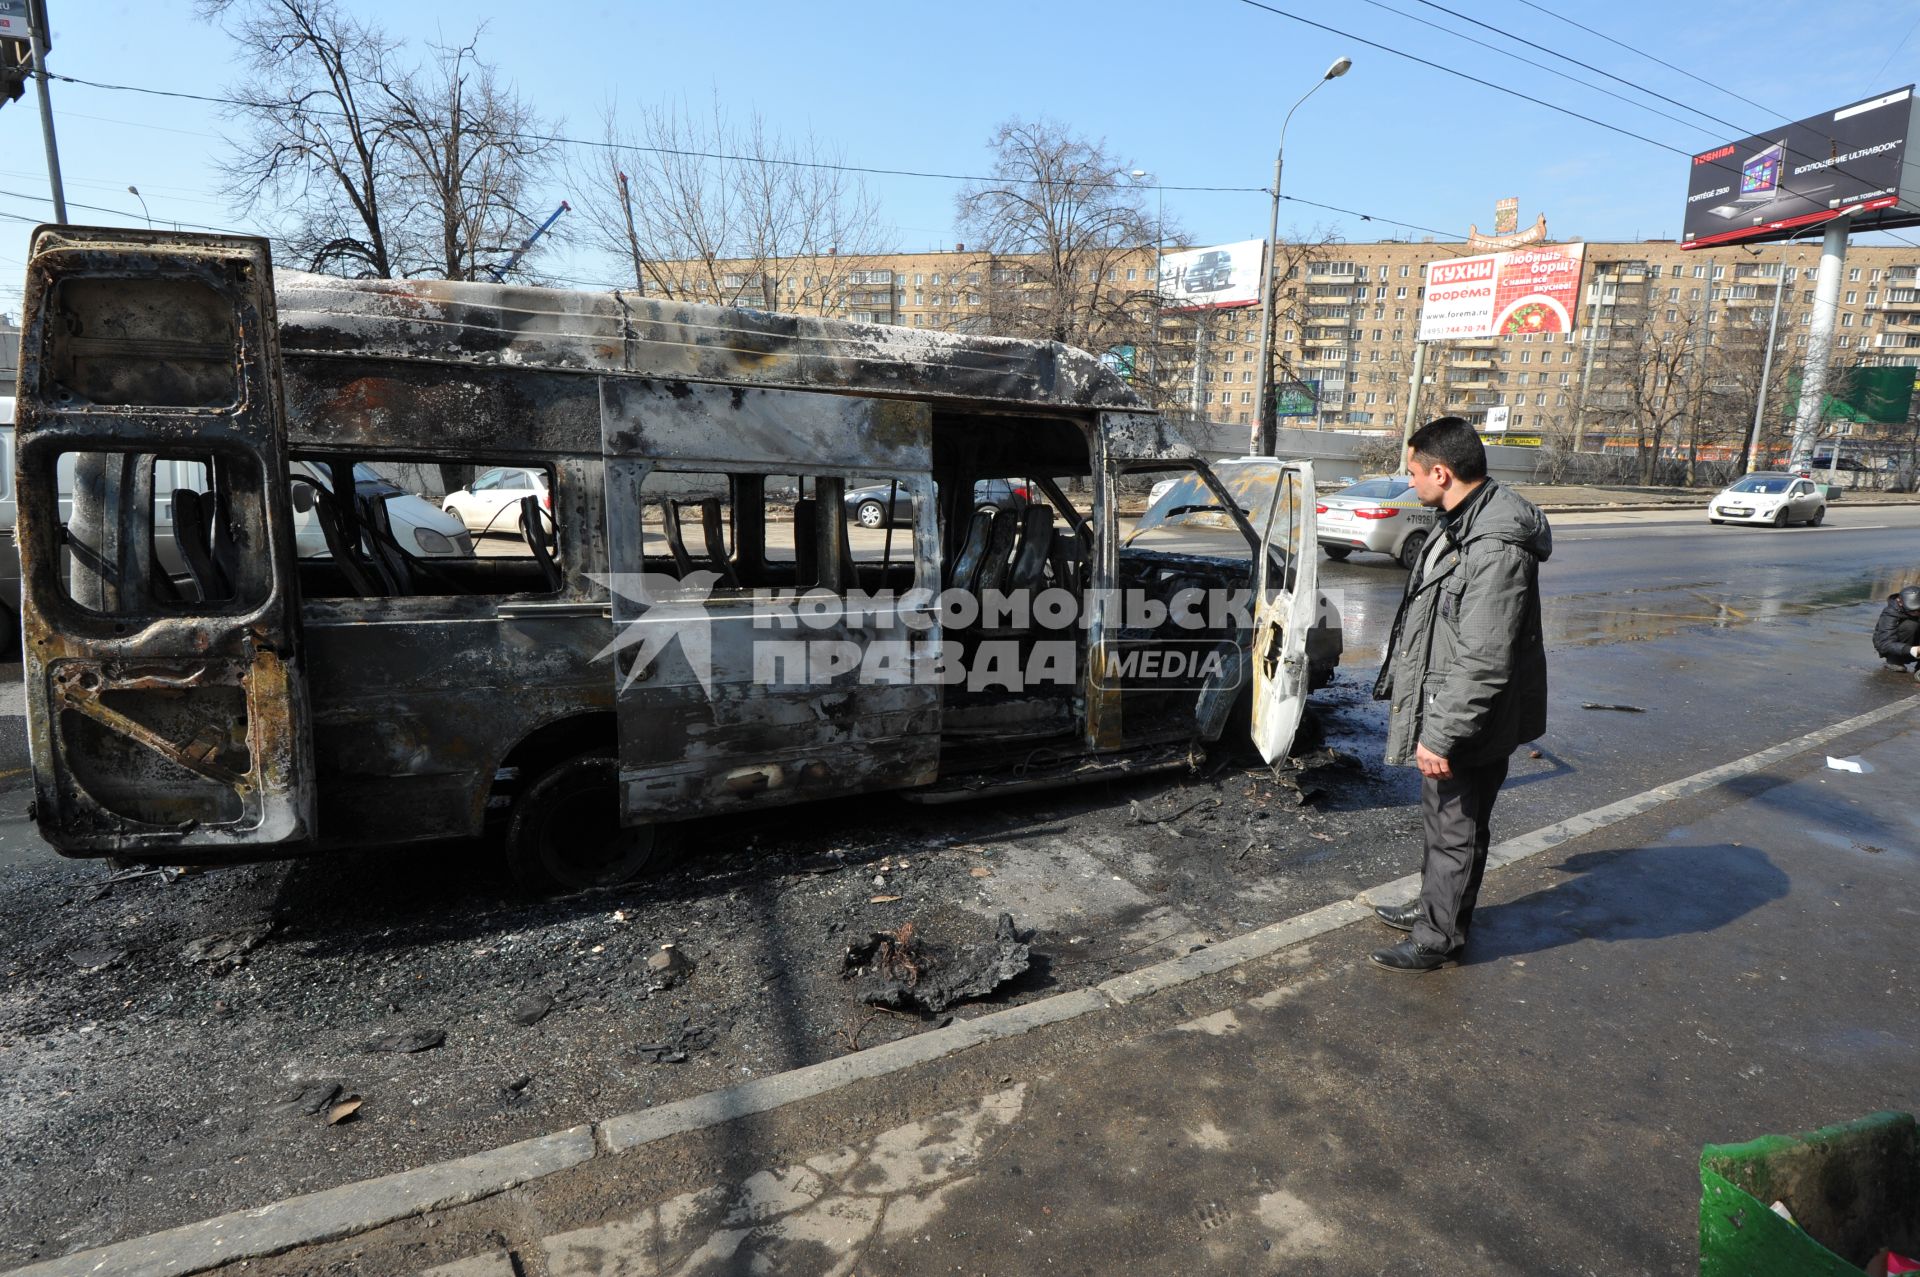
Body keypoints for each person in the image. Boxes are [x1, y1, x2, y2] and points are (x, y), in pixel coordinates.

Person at [1369, 417, 1552, 973]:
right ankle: (1437, 912)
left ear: (1441, 472)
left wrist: (1441, 733)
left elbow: (1483, 657)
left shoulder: (1493, 545)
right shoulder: (1466, 519)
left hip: (1470, 720)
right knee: (1451, 825)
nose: (1410, 481)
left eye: (1413, 471)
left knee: (1455, 828)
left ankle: (1436, 940)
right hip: (1461, 711)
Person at [1872, 585, 1920, 675]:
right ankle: (1895, 660)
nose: (1917, 613)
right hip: (1896, 646)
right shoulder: (1890, 613)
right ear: (1900, 602)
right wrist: (1913, 650)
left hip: (1914, 645)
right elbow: (1884, 643)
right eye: (1913, 610)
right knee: (1910, 625)